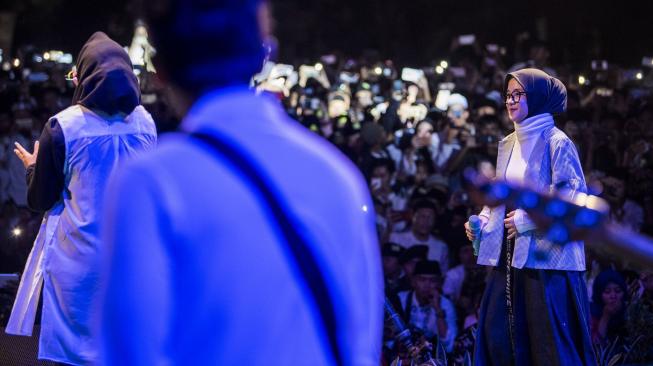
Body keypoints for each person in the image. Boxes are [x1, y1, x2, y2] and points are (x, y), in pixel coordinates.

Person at [98, 1, 383, 365]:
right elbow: (361, 347)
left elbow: (130, 352)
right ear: (263, 54)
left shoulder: (152, 182)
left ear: (159, 70)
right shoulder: (338, 177)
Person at [5, 32, 157, 365]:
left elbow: (40, 199)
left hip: (77, 266)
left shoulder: (63, 127)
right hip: (127, 260)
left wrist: (33, 168)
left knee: (71, 354)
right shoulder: (146, 123)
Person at [465, 68, 596, 365]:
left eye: (518, 94)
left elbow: (573, 197)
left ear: (535, 97)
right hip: (511, 256)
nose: (510, 101)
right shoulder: (509, 142)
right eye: (507, 95)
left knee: (548, 344)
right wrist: (483, 221)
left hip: (548, 261)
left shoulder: (556, 141)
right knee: (499, 336)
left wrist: (527, 220)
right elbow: (502, 195)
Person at [397, 260, 458, 353]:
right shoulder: (401, 299)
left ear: (439, 283)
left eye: (432, 280)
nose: (427, 285)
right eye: (422, 280)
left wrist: (438, 310)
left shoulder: (446, 305)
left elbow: (449, 345)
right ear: (413, 281)